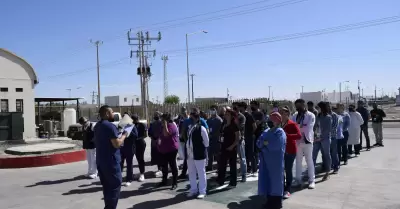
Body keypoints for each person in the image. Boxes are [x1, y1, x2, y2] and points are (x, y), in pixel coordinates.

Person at [94, 105, 128, 209]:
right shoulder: (109, 126)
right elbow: (117, 144)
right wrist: (124, 135)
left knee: (107, 187)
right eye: (112, 112)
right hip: (111, 163)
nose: (113, 114)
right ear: (107, 113)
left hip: (101, 161)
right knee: (114, 187)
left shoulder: (97, 126)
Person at [257, 112, 286, 209]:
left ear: (277, 121)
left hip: (276, 161)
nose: (269, 121)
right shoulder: (266, 131)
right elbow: (259, 142)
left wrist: (265, 144)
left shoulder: (280, 132)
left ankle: (277, 203)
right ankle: (269, 201)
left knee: (276, 181)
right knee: (267, 180)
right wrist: (265, 144)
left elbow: (276, 145)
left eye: (271, 120)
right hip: (266, 161)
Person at [292, 99, 316, 189]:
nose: (298, 108)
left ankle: (311, 180)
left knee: (309, 161)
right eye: (296, 107)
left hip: (307, 141)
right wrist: (300, 126)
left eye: (299, 106)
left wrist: (298, 126)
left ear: (303, 105)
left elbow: (308, 128)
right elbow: (293, 126)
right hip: (297, 142)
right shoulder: (295, 115)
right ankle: (298, 180)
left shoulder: (311, 115)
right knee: (298, 162)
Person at [186, 108, 210, 199]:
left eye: (192, 117)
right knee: (191, 172)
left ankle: (202, 191)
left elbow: (206, 142)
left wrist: (199, 148)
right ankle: (193, 189)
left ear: (196, 118)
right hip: (190, 154)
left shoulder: (202, 128)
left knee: (201, 172)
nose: (190, 119)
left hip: (199, 153)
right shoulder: (190, 127)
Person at [179, 108, 208, 179]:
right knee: (188, 160)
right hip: (189, 146)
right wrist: (187, 142)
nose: (193, 115)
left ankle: (201, 182)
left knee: (200, 164)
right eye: (192, 113)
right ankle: (184, 173)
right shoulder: (186, 121)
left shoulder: (202, 121)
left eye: (194, 113)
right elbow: (183, 132)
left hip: (198, 147)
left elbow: (206, 132)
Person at [279, 106, 301, 199]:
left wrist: (287, 136)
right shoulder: (279, 124)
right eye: (280, 113)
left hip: (290, 151)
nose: (281, 114)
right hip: (281, 151)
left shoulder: (292, 124)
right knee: (281, 170)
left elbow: (299, 135)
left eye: (283, 113)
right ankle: (281, 187)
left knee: (288, 170)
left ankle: (288, 189)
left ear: (287, 114)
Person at [217, 108, 240, 188]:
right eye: (225, 114)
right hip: (223, 147)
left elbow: (237, 138)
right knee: (222, 165)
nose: (226, 115)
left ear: (231, 116)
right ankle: (221, 181)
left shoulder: (234, 125)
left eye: (227, 114)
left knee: (232, 166)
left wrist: (232, 146)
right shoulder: (224, 124)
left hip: (232, 148)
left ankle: (233, 182)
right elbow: (221, 134)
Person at [157, 112, 179, 190]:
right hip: (163, 150)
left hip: (172, 150)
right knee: (164, 167)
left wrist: (165, 125)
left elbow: (166, 134)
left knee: (173, 166)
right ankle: (164, 181)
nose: (161, 120)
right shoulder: (162, 126)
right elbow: (160, 136)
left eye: (163, 118)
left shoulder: (172, 126)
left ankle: (175, 183)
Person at [313, 102, 332, 181]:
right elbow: (314, 126)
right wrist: (314, 134)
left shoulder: (328, 117)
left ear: (322, 108)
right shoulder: (317, 116)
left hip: (325, 139)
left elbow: (328, 129)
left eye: (318, 107)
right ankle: (312, 173)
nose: (317, 109)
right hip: (317, 139)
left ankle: (327, 172)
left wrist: (321, 137)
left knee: (326, 155)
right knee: (313, 155)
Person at [238, 102, 258, 176]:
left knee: (251, 153)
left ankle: (254, 169)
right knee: (244, 154)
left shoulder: (249, 116)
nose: (239, 108)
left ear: (243, 107)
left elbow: (254, 126)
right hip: (243, 138)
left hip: (249, 137)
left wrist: (251, 134)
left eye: (240, 107)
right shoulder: (239, 116)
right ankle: (248, 169)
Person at [120, 118, 138, 187]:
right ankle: (119, 178)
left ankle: (129, 179)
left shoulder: (132, 126)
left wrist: (128, 133)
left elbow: (136, 136)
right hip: (121, 148)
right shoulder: (121, 126)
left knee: (129, 164)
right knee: (120, 163)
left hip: (129, 148)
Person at [232, 102, 247, 182]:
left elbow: (240, 128)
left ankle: (244, 175)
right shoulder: (232, 116)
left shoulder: (242, 117)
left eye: (236, 108)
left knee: (242, 158)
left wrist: (236, 122)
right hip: (232, 140)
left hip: (240, 140)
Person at [206, 106, 223, 172]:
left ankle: (219, 167)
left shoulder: (219, 120)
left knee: (218, 154)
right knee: (210, 154)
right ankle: (210, 166)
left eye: (213, 110)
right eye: (211, 110)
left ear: (216, 111)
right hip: (210, 139)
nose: (212, 111)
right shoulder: (209, 120)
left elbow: (221, 130)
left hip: (217, 139)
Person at [251, 100, 266, 172]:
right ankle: (256, 164)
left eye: (253, 105)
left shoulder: (260, 114)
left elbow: (258, 123)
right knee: (254, 151)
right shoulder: (252, 114)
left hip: (259, 134)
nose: (251, 106)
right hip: (253, 134)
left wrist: (254, 124)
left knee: (260, 149)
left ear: (257, 106)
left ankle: (261, 164)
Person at [132, 114, 147, 182]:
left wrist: (137, 138)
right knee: (137, 159)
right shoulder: (131, 125)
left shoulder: (142, 125)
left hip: (140, 143)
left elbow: (145, 135)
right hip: (133, 144)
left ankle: (142, 174)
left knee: (140, 159)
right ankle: (139, 173)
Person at [148, 111, 163, 178]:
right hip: (154, 142)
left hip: (161, 141)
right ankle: (159, 169)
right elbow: (149, 133)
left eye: (157, 114)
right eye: (155, 114)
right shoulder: (152, 123)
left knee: (161, 155)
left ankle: (162, 169)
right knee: (156, 156)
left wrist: (158, 139)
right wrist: (153, 138)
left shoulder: (162, 123)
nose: (155, 115)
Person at [326, 103, 339, 173]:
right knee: (327, 153)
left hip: (333, 136)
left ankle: (336, 167)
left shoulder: (334, 115)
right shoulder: (323, 115)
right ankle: (329, 166)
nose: (327, 108)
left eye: (328, 106)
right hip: (325, 137)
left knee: (334, 152)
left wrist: (327, 130)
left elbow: (335, 126)